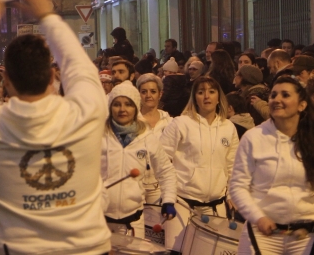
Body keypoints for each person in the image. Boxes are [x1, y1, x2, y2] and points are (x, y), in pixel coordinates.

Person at [0, 0, 111, 254]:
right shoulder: (87, 110)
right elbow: (78, 64)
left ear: (6, 81)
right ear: (52, 78)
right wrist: (47, 15)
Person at [229, 77, 314, 255]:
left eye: (285, 95)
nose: (277, 99)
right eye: (273, 95)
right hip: (262, 236)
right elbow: (237, 186)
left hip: (309, 236)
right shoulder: (253, 137)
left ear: (302, 105)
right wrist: (257, 217)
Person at [160, 77, 239, 252]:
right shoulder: (181, 123)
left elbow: (233, 165)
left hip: (215, 206)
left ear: (219, 97)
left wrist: (231, 194)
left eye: (211, 92)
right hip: (183, 203)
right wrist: (168, 195)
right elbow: (161, 160)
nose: (206, 97)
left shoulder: (229, 127)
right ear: (194, 97)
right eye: (201, 92)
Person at [102, 82, 176, 237]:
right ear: (110, 108)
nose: (122, 109)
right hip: (99, 223)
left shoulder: (147, 138)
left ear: (136, 107)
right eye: (117, 104)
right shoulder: (98, 136)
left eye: (128, 104)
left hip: (133, 224)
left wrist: (168, 199)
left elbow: (166, 171)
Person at [136, 73, 173, 203]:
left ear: (160, 94)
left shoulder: (170, 122)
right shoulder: (131, 121)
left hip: (159, 186)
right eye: (144, 92)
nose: (148, 96)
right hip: (135, 184)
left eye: (153, 91)